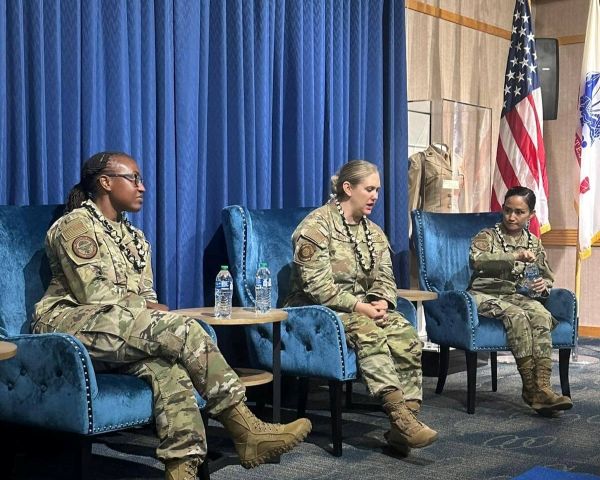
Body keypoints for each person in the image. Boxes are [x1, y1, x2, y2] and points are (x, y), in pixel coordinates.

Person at [32, 151, 312, 480]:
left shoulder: (135, 237)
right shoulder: (75, 226)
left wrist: (143, 304)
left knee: (168, 370)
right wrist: (143, 305)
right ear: (106, 182)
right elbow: (97, 297)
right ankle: (245, 428)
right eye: (133, 178)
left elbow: (148, 298)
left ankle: (182, 469)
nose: (143, 187)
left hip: (118, 332)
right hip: (70, 327)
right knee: (183, 330)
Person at [285, 160, 438, 455]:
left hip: (361, 308)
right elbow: (316, 287)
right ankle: (399, 417)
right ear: (347, 188)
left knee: (403, 331)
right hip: (316, 311)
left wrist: (382, 300)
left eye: (377, 190)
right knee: (365, 328)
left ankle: (402, 426)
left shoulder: (373, 232)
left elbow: (385, 276)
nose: (374, 196)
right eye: (369, 189)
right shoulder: (316, 227)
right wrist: (360, 307)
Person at [468, 186, 573, 416]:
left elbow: (546, 275)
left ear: (531, 215)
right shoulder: (487, 236)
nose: (511, 217)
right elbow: (478, 261)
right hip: (484, 294)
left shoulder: (534, 243)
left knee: (540, 314)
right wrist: (514, 256)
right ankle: (530, 388)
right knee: (516, 316)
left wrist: (542, 285)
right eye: (507, 210)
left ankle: (543, 387)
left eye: (519, 212)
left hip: (515, 295)